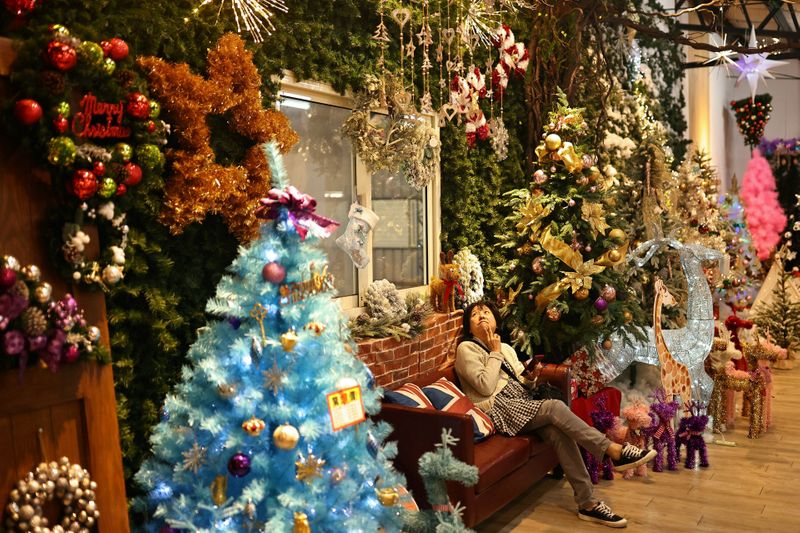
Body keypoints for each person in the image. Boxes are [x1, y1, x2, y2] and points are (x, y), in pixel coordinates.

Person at [455, 301, 657, 528]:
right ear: (468, 326)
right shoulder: (466, 349)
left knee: (559, 433)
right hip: (498, 408)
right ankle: (612, 450)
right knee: (554, 407)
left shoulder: (506, 348)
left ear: (495, 319)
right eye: (475, 314)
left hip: (519, 401)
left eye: (486, 312)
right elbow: (484, 385)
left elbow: (520, 382)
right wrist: (494, 353)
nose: (481, 315)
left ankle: (588, 503)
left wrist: (532, 377)